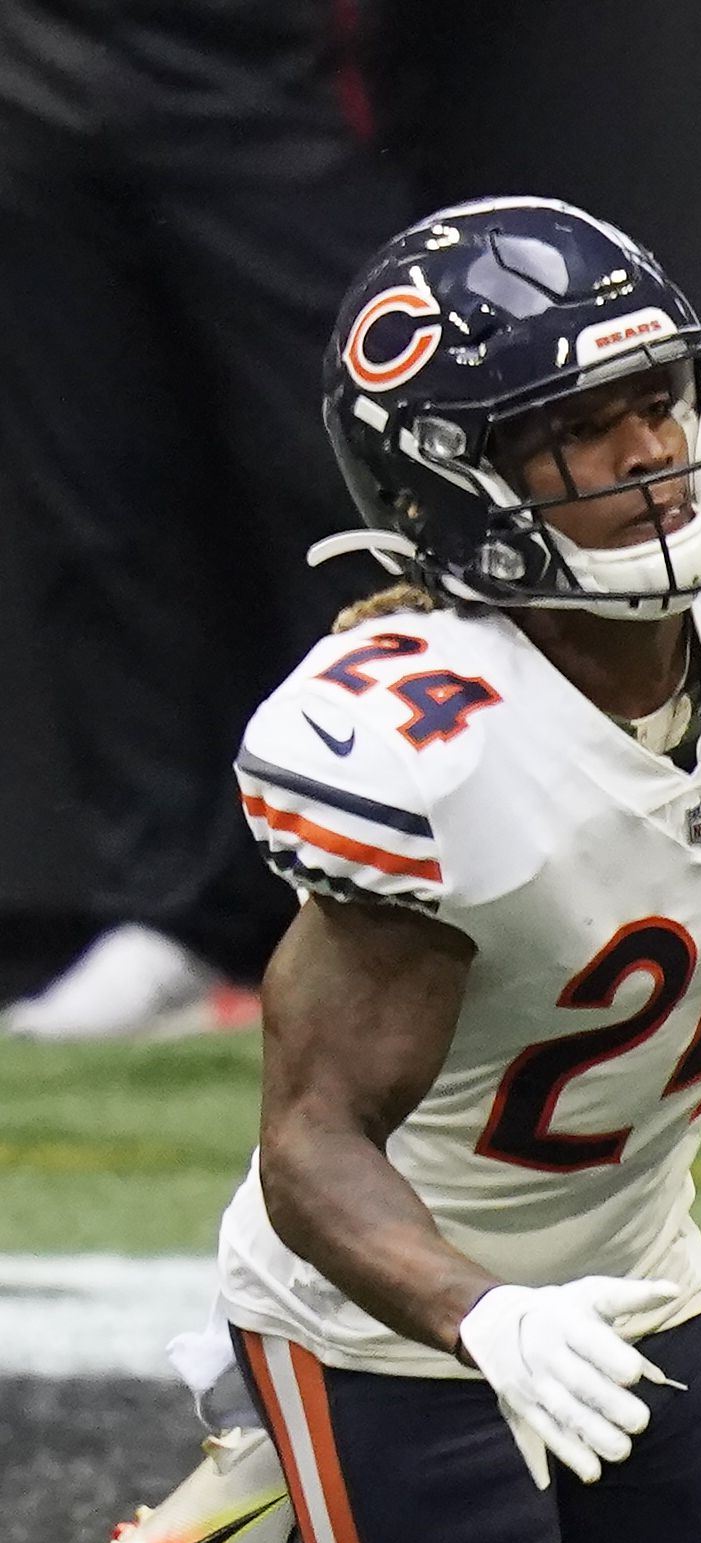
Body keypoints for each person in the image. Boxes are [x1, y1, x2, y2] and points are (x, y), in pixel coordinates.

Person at [70, 196, 701, 1543]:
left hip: (634, 1263)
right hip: (380, 1327)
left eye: (657, 396)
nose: (653, 448)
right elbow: (310, 1141)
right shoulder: (432, 750)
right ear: (451, 477)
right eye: (582, 424)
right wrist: (483, 1316)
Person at [0, 0, 418, 1040]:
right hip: (34, 62)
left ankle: (419, 896)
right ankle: (176, 921)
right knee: (98, 507)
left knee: (362, 477)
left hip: (268, 61)